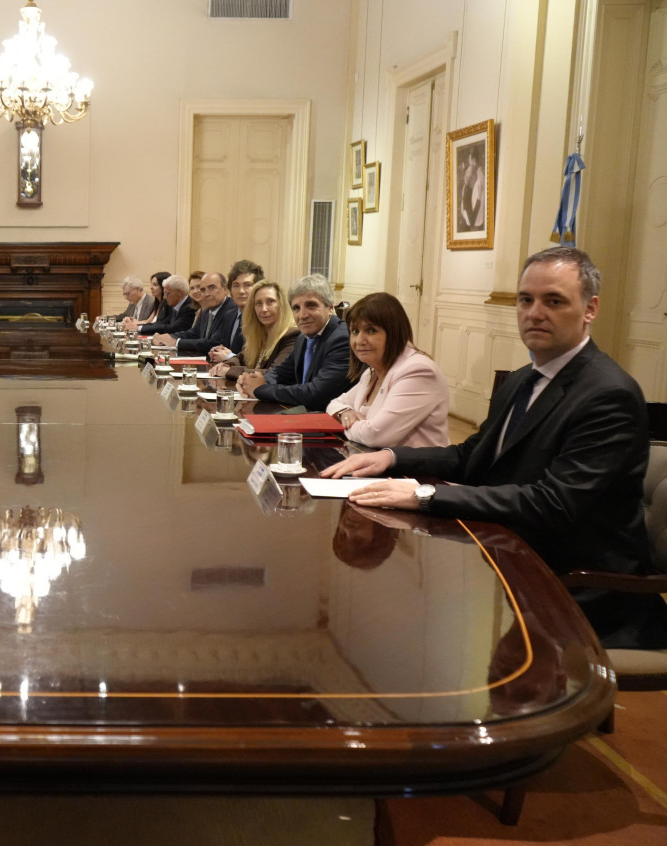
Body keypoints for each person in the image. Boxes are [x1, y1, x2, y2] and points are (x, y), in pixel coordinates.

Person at [323, 247, 665, 647]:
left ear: (590, 309)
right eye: (525, 299)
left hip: (575, 587)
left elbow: (552, 503)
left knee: (413, 627)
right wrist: (392, 456)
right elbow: (473, 456)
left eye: (553, 301)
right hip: (510, 554)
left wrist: (423, 495)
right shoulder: (523, 379)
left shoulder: (608, 394)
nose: (535, 312)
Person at [325, 292, 449, 448]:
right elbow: (335, 403)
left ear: (394, 332)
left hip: (415, 471)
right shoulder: (372, 371)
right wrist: (345, 413)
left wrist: (345, 426)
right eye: (355, 331)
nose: (359, 341)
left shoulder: (418, 371)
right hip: (374, 462)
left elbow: (376, 436)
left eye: (371, 331)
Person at [238, 273, 351, 411]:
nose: (302, 315)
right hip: (304, 417)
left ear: (330, 308)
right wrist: (251, 380)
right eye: (296, 308)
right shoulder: (303, 338)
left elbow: (316, 394)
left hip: (331, 424)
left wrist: (260, 389)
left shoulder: (341, 339)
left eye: (311, 305)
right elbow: (280, 373)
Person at [209, 280, 299, 380]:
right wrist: (226, 365)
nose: (264, 309)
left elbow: (274, 373)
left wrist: (230, 371)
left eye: (270, 302)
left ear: (282, 305)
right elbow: (240, 357)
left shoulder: (292, 335)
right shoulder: (261, 335)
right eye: (258, 303)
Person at [150, 271, 236, 354]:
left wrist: (176, 342)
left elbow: (213, 343)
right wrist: (167, 337)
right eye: (203, 290)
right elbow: (193, 333)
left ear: (225, 289)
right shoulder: (207, 311)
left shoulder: (231, 310)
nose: (206, 294)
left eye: (212, 288)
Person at [208, 260, 265, 365]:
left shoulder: (263, 318)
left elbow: (260, 363)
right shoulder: (229, 315)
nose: (241, 291)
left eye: (247, 285)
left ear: (258, 288)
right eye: (236, 285)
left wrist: (230, 357)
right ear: (229, 290)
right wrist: (218, 352)